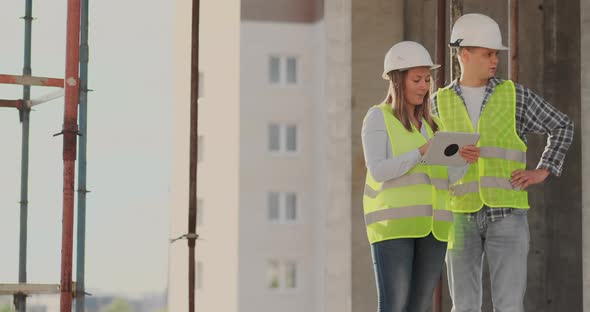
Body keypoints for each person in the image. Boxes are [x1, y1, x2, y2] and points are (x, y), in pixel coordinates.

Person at [432, 13, 574, 312]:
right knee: (464, 307)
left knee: (509, 306)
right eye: (488, 54)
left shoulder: (513, 95)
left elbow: (562, 125)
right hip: (459, 215)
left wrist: (543, 170)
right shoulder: (437, 102)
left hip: (507, 214)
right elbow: (430, 160)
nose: (495, 60)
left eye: (496, 54)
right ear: (465, 55)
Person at [361, 41, 476, 312]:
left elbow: (447, 178)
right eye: (417, 79)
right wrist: (420, 152)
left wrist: (465, 161)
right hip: (394, 229)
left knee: (419, 307)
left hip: (434, 229)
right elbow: (378, 170)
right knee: (395, 305)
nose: (425, 86)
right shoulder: (378, 118)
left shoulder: (434, 125)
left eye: (427, 79)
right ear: (397, 81)